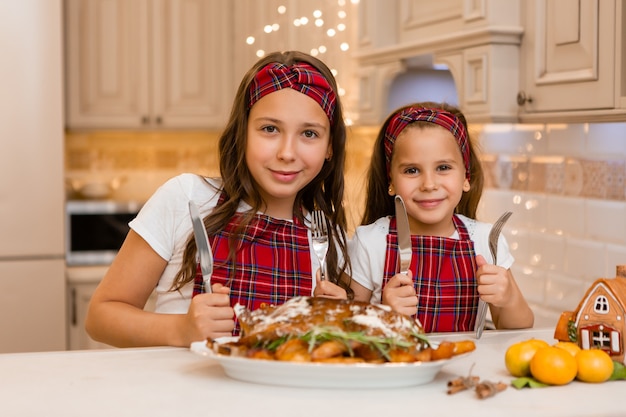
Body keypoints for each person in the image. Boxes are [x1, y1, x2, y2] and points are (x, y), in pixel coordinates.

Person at [85, 51, 352, 348]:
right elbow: (100, 317)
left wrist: (338, 323)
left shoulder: (325, 234)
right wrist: (180, 330)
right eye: (270, 129)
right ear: (243, 132)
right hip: (183, 394)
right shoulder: (187, 198)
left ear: (330, 147)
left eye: (309, 134)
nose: (287, 152)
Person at [349, 102, 534, 332]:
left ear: (466, 177)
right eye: (412, 170)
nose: (429, 184)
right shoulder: (370, 242)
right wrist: (384, 315)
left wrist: (508, 298)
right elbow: (346, 331)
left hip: (466, 366)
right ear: (391, 182)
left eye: (443, 167)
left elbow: (520, 326)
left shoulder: (485, 241)